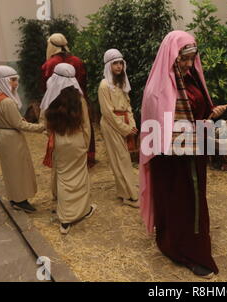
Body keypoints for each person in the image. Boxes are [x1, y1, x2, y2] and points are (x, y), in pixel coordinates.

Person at [139, 31, 226, 279]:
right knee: (180, 204)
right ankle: (184, 251)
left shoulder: (192, 79)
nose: (189, 64)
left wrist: (212, 112)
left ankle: (190, 245)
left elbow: (201, 112)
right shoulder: (158, 89)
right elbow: (159, 129)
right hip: (171, 163)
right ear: (172, 56)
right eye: (183, 59)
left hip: (193, 155)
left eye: (192, 58)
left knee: (194, 203)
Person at [41, 63, 96, 235]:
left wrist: (53, 138)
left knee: (64, 178)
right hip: (77, 141)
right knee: (80, 176)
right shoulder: (79, 99)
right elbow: (86, 126)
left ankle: (65, 219)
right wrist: (85, 145)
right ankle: (84, 210)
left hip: (59, 142)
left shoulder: (51, 97)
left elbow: (45, 124)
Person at [0, 66, 44, 213]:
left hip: (3, 135)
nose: (15, 84)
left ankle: (15, 197)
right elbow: (19, 124)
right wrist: (41, 127)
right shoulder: (6, 102)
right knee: (18, 169)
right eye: (12, 80)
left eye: (15, 80)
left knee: (10, 169)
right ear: (3, 82)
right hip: (11, 138)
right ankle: (20, 200)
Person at [41, 33, 96, 168]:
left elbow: (45, 87)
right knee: (84, 125)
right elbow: (84, 82)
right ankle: (87, 155)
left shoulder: (49, 63)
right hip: (79, 102)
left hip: (57, 106)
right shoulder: (77, 61)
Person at [98, 49, 139, 207]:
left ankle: (127, 189)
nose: (119, 66)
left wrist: (132, 125)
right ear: (109, 65)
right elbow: (107, 112)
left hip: (123, 124)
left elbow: (128, 106)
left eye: (121, 63)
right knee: (120, 159)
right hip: (111, 125)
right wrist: (125, 128)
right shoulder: (104, 85)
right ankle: (127, 195)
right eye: (115, 63)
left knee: (124, 159)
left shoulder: (121, 83)